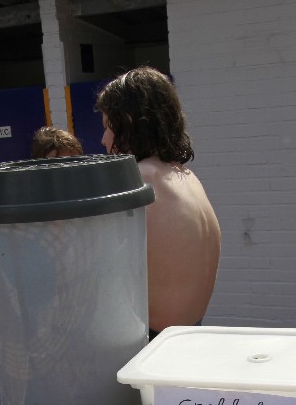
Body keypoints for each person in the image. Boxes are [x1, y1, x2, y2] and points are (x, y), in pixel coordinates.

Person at [95, 66, 221, 336]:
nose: (103, 139)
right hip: (191, 333)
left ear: (128, 121)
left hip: (153, 340)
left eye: (107, 127)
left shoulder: (141, 177)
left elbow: (96, 263)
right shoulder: (188, 177)